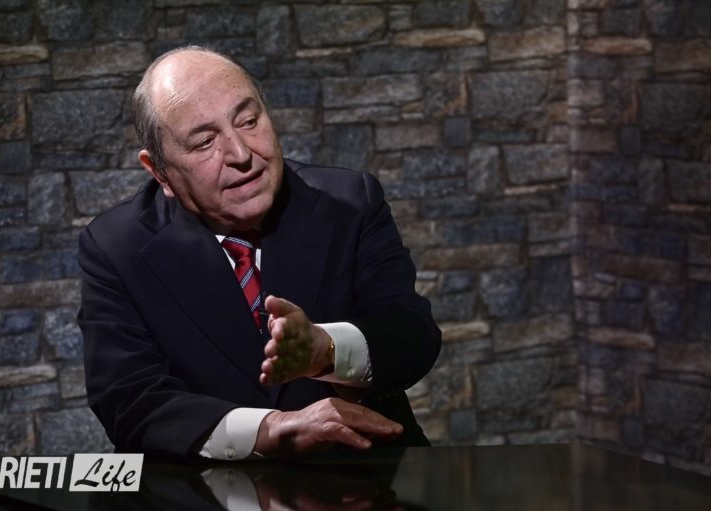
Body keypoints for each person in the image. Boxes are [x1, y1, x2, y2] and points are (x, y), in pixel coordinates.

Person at [77, 46, 441, 460]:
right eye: (205, 142)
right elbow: (129, 399)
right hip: (207, 486)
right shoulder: (115, 247)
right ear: (159, 170)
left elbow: (412, 337)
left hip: (369, 470)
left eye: (249, 121)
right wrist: (271, 429)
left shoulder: (350, 202)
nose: (240, 154)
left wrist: (326, 350)